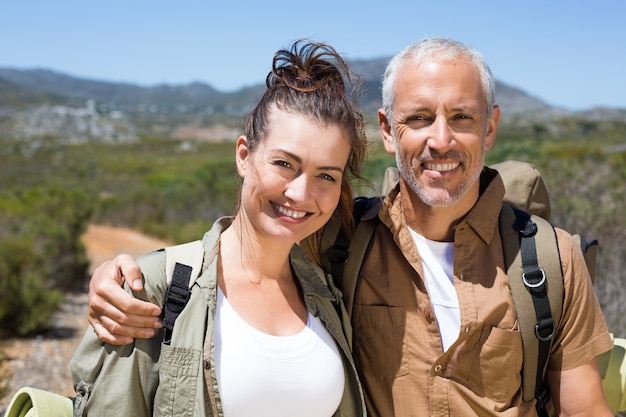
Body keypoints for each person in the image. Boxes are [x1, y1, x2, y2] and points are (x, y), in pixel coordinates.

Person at [84, 37, 614, 416]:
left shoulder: (549, 260)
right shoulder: (340, 241)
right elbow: (245, 244)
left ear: (491, 127)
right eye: (419, 118)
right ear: (387, 129)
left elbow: (583, 408)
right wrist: (120, 273)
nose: (441, 140)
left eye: (462, 117)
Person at [70, 39, 368, 417]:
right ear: (244, 156)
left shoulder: (329, 293)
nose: (300, 192)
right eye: (284, 163)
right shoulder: (156, 287)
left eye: (326, 174)